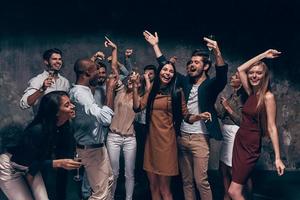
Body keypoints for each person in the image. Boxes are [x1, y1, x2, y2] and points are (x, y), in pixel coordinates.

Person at [143, 30, 228, 200]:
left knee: (201, 181)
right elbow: (165, 67)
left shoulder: (211, 85)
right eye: (190, 62)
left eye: (196, 62)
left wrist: (217, 51)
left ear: (205, 66)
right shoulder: (185, 83)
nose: (192, 64)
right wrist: (155, 46)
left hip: (200, 138)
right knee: (187, 181)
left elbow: (221, 75)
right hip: (181, 136)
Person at [0, 91, 81, 200]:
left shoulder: (63, 127)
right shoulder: (37, 131)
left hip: (32, 167)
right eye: (67, 105)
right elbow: (20, 162)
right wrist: (57, 163)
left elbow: (36, 163)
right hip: (11, 168)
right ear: (56, 112)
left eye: (70, 103)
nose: (73, 106)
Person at [228, 49, 286, 200]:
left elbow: (272, 127)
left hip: (250, 145)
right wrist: (264, 55)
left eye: (259, 73)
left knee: (233, 192)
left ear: (265, 75)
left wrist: (278, 158)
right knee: (244, 185)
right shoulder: (252, 93)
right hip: (240, 141)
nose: (254, 75)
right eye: (252, 72)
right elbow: (241, 69)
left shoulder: (268, 97)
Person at [69, 37, 117, 200]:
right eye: (97, 70)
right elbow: (105, 119)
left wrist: (93, 60)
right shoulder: (81, 94)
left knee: (109, 182)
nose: (100, 73)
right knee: (100, 195)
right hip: (91, 150)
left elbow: (84, 69)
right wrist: (110, 89)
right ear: (88, 73)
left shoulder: (82, 88)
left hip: (97, 147)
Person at [216, 72, 248, 200]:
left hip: (235, 134)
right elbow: (221, 115)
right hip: (226, 133)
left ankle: (237, 195)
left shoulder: (243, 97)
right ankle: (226, 195)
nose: (231, 77)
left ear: (241, 81)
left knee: (231, 169)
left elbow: (241, 121)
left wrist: (227, 107)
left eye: (235, 76)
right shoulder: (231, 95)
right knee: (223, 167)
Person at [20, 48, 70, 114]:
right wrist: (42, 89)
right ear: (46, 61)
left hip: (61, 122)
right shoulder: (37, 80)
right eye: (54, 59)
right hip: (44, 122)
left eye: (59, 59)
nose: (58, 62)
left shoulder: (65, 82)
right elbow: (24, 104)